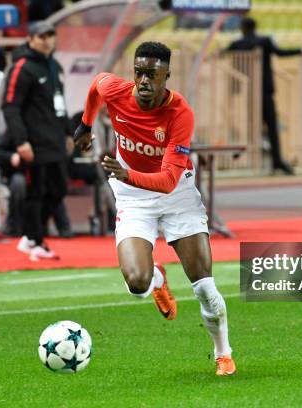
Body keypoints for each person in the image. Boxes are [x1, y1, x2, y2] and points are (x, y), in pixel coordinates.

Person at [73, 42, 236, 376]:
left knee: (205, 287)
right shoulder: (116, 91)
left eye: (151, 74)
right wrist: (86, 124)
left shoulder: (180, 114)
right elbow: (96, 85)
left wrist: (126, 173)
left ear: (167, 76)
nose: (143, 81)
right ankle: (157, 277)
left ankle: (223, 353)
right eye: (138, 72)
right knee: (136, 283)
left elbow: (167, 180)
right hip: (133, 199)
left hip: (176, 196)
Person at [2, 21, 73, 260]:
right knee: (36, 192)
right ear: (31, 39)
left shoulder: (53, 66)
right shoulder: (21, 67)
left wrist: (67, 133)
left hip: (54, 141)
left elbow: (59, 104)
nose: (47, 40)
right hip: (34, 143)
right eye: (42, 36)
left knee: (59, 189)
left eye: (50, 35)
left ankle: (32, 236)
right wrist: (21, 141)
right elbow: (10, 107)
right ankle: (33, 239)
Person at [226, 17, 302, 175]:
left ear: (242, 28)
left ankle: (253, 161)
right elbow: (280, 53)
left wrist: (234, 90)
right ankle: (277, 161)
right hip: (266, 91)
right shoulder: (265, 41)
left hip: (251, 91)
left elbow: (227, 56)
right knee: (272, 127)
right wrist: (300, 50)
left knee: (252, 127)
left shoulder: (237, 44)